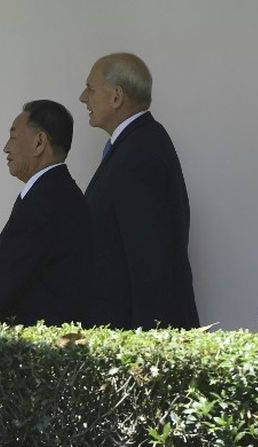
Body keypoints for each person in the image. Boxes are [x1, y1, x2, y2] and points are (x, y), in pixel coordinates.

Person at [79, 53, 199, 330]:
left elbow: (151, 260)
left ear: (116, 97)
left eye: (90, 88)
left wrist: (146, 344)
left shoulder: (139, 153)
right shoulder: (138, 144)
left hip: (138, 337)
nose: (83, 98)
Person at [0, 100, 92, 326]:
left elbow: (1, 288)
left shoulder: (46, 201)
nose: (6, 147)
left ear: (39, 142)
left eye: (13, 137)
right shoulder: (55, 192)